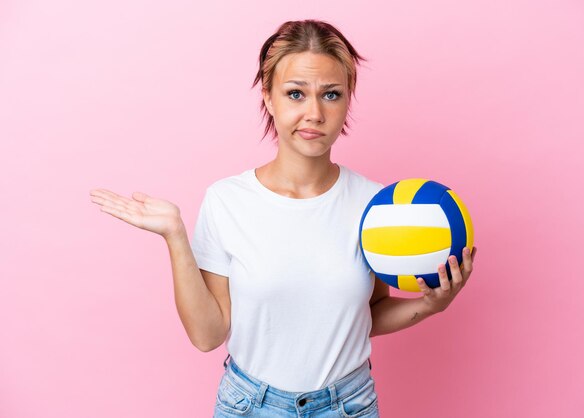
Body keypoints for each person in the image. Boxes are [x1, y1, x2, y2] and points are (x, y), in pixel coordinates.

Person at [89, 19, 477, 418]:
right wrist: (175, 235)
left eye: (331, 94)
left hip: (348, 405)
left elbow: (367, 316)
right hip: (249, 406)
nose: (314, 112)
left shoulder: (378, 207)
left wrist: (432, 305)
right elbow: (208, 337)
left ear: (348, 100)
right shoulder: (227, 201)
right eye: (295, 94)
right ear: (269, 98)